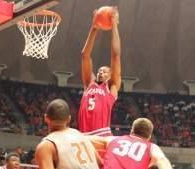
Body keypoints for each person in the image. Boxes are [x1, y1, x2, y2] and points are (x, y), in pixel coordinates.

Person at [78, 7, 121, 136]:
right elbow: (85, 55)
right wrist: (94, 28)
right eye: (99, 71)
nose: (100, 72)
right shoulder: (89, 83)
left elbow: (116, 55)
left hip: (101, 135)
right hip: (83, 135)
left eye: (104, 71)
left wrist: (114, 25)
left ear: (110, 75)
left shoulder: (112, 87)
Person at [35, 99, 100, 169]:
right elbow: (100, 163)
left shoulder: (46, 146)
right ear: (69, 119)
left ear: (45, 118)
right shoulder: (81, 136)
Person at [88, 118, 172, 169]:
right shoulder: (152, 147)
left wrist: (99, 162)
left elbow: (86, 140)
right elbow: (162, 160)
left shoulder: (113, 140)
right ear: (149, 137)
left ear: (132, 131)